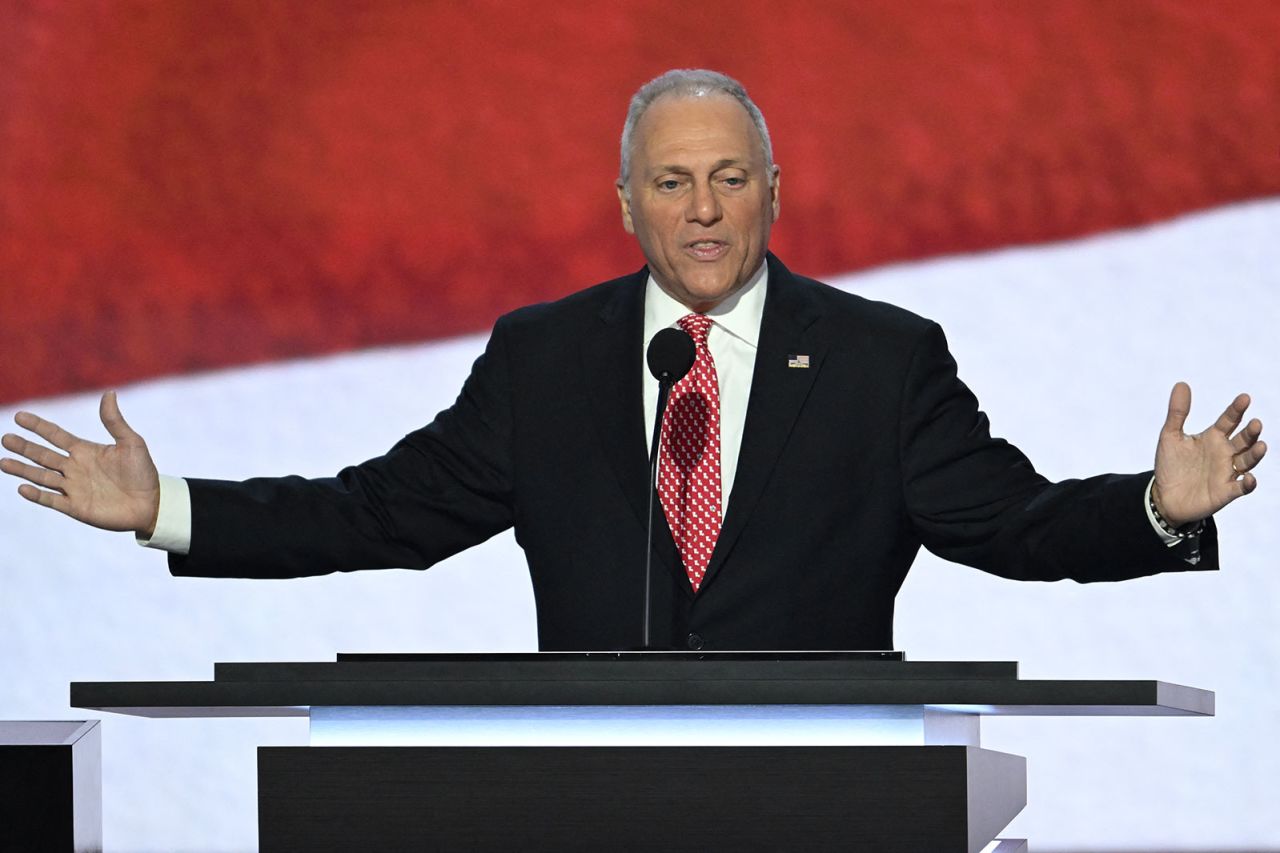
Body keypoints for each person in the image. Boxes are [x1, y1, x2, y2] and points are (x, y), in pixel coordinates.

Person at [0, 70, 1267, 651]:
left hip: (833, 796)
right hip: (592, 786)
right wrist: (164, 508)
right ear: (626, 203)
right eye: (672, 181)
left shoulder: (883, 360)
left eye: (728, 180)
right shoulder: (545, 359)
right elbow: (379, 512)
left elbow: (1015, 524)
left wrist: (1156, 507)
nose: (702, 209)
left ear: (773, 194)